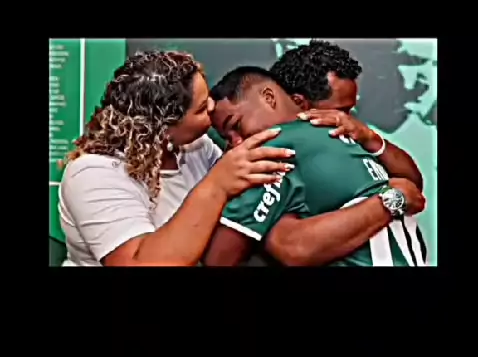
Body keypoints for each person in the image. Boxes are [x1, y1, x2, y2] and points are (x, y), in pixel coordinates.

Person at [59, 49, 424, 267]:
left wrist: (371, 141)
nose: (213, 113)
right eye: (202, 109)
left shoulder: (200, 149)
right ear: (163, 127)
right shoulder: (94, 172)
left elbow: (270, 229)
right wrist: (216, 186)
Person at [203, 66, 427, 266]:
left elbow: (220, 258)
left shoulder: (275, 146)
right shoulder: (334, 135)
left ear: (269, 97)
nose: (235, 143)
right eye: (227, 138)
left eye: (236, 125)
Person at [270, 38, 424, 190]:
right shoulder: (269, 154)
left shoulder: (350, 133)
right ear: (298, 102)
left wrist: (370, 138)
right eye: (341, 110)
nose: (347, 118)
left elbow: (412, 183)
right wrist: (386, 202)